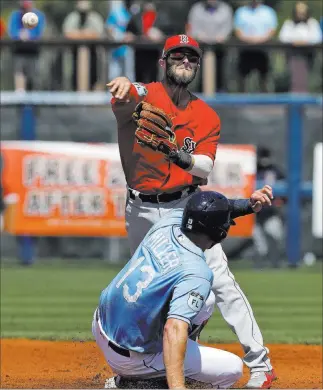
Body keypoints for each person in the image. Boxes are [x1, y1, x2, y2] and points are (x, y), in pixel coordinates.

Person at [106, 34, 277, 389]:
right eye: (178, 56)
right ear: (163, 61)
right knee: (151, 290)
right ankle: (140, 372)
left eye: (191, 58)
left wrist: (174, 153)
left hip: (185, 207)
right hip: (140, 208)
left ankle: (261, 364)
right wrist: (124, 85)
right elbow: (129, 93)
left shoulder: (205, 115)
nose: (185, 61)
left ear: (197, 66)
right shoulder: (146, 95)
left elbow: (203, 168)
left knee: (219, 281)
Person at [93, 186, 273, 389]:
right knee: (231, 369)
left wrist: (247, 206)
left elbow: (207, 211)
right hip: (132, 358)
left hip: (101, 324)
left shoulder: (168, 222)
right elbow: (174, 329)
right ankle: (138, 382)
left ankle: (144, 373)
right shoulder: (197, 272)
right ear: (220, 234)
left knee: (206, 302)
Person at [187, 0, 233, 92]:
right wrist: (199, 35)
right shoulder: (196, 9)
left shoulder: (226, 9)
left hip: (220, 47)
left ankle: (221, 91)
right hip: (201, 47)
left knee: (221, 71)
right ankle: (201, 92)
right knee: (200, 73)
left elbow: (228, 27)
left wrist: (222, 36)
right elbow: (192, 26)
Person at [234, 0, 277, 93]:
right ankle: (242, 100)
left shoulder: (269, 12)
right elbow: (237, 30)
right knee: (243, 78)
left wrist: (259, 40)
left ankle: (267, 101)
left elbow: (272, 30)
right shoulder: (241, 11)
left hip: (263, 50)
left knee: (265, 78)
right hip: (246, 49)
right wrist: (250, 40)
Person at [278, 1, 322, 92]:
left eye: (303, 12)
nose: (301, 14)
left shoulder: (312, 23)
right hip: (293, 55)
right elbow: (283, 37)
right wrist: (296, 42)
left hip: (309, 56)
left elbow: (317, 38)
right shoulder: (289, 23)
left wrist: (303, 42)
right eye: (299, 12)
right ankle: (294, 101)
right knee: (294, 79)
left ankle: (306, 100)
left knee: (308, 79)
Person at [62, 0, 104, 90]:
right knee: (72, 78)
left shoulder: (95, 17)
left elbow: (98, 34)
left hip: (93, 55)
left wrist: (79, 34)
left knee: (94, 79)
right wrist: (85, 34)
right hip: (74, 55)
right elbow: (67, 34)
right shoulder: (72, 17)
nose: (83, 14)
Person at [7, 0, 46, 91]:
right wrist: (19, 34)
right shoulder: (15, 15)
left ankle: (33, 101)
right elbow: (12, 31)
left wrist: (29, 35)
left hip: (33, 51)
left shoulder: (38, 15)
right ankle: (20, 100)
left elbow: (39, 32)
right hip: (19, 51)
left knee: (33, 78)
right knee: (19, 74)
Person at [105, 0, 135, 81]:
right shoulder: (116, 12)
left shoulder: (134, 12)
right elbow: (109, 28)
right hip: (116, 50)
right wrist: (120, 36)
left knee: (129, 76)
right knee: (114, 76)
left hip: (129, 49)